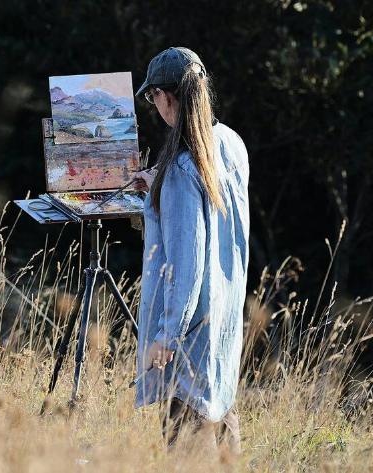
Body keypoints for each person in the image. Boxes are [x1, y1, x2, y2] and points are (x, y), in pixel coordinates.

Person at [132, 46, 250, 455]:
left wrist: (166, 334)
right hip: (223, 323)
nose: (154, 105)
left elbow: (186, 264)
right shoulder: (230, 145)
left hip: (187, 340)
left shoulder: (183, 170)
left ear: (167, 96)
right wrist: (159, 186)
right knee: (223, 436)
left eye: (153, 97)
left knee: (189, 453)